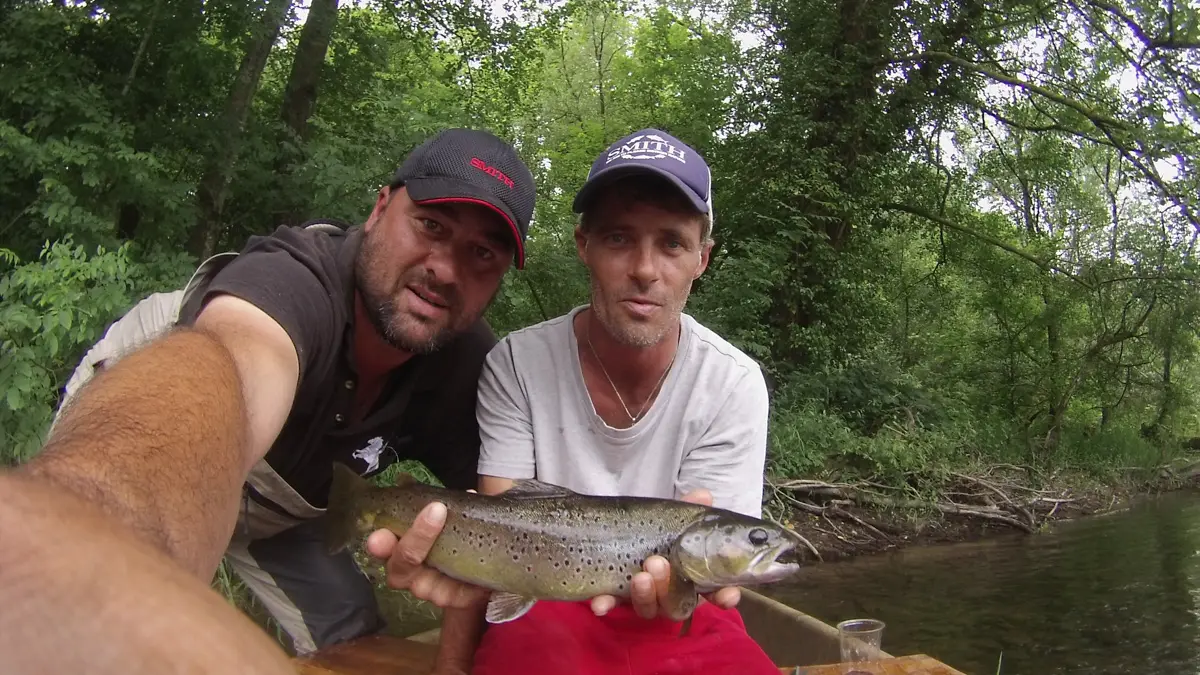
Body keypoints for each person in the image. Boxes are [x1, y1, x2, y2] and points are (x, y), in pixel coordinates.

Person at [1, 128, 536, 674]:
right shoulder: (294, 281)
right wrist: (85, 553)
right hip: (163, 428)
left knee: (354, 636)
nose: (445, 269)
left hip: (294, 501)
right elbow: (233, 363)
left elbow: (509, 521)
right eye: (430, 226)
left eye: (481, 254)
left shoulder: (469, 368)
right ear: (379, 209)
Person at [467, 128, 779, 674]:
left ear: (701, 259)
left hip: (683, 612)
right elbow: (507, 526)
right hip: (546, 600)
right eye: (618, 238)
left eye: (672, 243)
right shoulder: (515, 363)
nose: (644, 269)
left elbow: (709, 578)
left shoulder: (733, 383)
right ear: (583, 245)